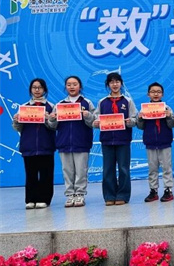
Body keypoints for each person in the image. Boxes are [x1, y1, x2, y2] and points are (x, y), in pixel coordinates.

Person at [48, 76, 95, 207]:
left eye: (75, 84)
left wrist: (88, 116)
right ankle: (70, 195)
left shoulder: (87, 103)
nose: (72, 87)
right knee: (67, 171)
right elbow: (52, 126)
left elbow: (94, 122)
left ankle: (80, 194)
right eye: (69, 84)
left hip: (81, 142)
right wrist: (52, 119)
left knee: (81, 170)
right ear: (65, 87)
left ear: (80, 86)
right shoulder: (60, 104)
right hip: (64, 143)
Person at [93, 72, 137, 205]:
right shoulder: (102, 102)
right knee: (108, 169)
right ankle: (109, 196)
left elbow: (135, 119)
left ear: (121, 84)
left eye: (117, 81)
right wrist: (96, 123)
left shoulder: (127, 101)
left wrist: (130, 121)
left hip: (123, 140)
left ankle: (123, 195)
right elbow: (95, 119)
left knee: (124, 168)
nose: (115, 84)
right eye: (112, 82)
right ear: (108, 85)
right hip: (107, 140)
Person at [12, 78, 56, 209]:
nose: (37, 90)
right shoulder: (24, 107)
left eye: (40, 87)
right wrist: (16, 120)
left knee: (46, 174)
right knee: (30, 174)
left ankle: (44, 199)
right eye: (34, 87)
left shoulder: (51, 106)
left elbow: (54, 126)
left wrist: (49, 119)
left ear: (44, 89)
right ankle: (30, 199)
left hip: (46, 146)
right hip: (28, 146)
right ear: (30, 90)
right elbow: (18, 128)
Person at [137, 82, 174, 203]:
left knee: (167, 168)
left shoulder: (167, 108)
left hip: (165, 142)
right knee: (152, 169)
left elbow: (172, 124)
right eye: (153, 92)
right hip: (150, 143)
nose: (156, 94)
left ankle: (168, 190)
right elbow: (140, 126)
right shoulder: (144, 109)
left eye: (158, 92)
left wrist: (169, 116)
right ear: (148, 94)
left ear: (162, 94)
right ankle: (153, 191)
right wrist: (140, 118)